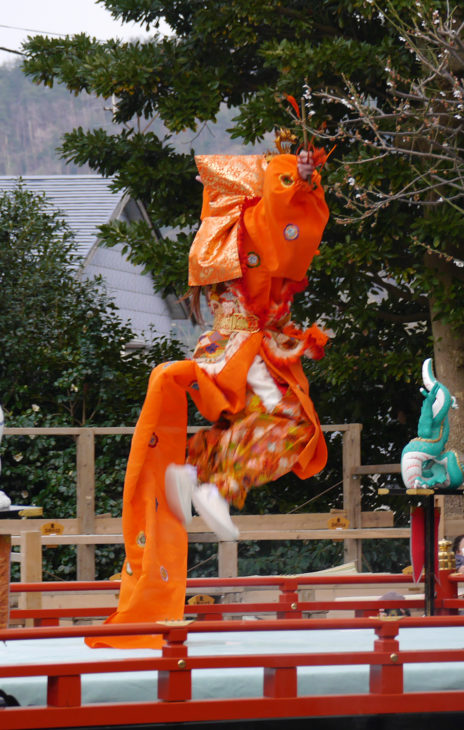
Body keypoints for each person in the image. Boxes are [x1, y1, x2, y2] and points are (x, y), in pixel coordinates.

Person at [87, 138, 330, 649]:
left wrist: (301, 180)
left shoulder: (225, 232)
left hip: (245, 350)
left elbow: (282, 224)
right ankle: (209, 482)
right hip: (242, 352)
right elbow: (278, 221)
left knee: (282, 428)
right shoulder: (244, 229)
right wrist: (300, 181)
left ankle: (198, 473)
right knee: (293, 426)